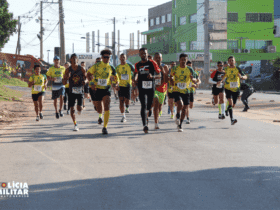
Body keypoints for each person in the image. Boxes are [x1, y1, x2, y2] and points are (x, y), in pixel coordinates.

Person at [87, 49, 118, 134]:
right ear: (102, 57)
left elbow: (115, 77)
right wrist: (92, 83)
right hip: (97, 89)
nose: (106, 59)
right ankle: (100, 115)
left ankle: (105, 127)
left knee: (107, 106)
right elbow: (88, 74)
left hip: (106, 89)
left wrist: (115, 84)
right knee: (99, 109)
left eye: (108, 57)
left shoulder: (111, 67)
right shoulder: (96, 66)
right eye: (105, 57)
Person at [134, 48, 161, 133]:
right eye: (141, 54)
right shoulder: (137, 64)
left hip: (150, 87)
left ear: (147, 54)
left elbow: (159, 74)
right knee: (143, 105)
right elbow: (135, 74)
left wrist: (153, 76)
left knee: (149, 106)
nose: (143, 55)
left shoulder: (152, 63)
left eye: (144, 53)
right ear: (139, 55)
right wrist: (135, 79)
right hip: (141, 87)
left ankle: (148, 111)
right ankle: (145, 125)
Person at [170, 53, 197, 132]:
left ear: (186, 60)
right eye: (182, 60)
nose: (183, 61)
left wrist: (193, 80)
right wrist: (171, 79)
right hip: (176, 89)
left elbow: (195, 79)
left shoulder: (189, 69)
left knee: (185, 109)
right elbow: (171, 78)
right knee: (180, 104)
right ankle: (177, 115)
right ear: (179, 60)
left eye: (185, 60)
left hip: (186, 91)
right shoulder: (175, 68)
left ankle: (180, 124)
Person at [217, 56, 247, 125]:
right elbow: (223, 77)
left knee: (233, 105)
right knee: (230, 102)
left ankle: (227, 110)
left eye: (232, 60)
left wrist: (242, 77)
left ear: (235, 61)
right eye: (229, 60)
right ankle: (232, 119)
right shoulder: (226, 69)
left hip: (236, 89)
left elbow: (245, 76)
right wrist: (220, 81)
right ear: (228, 62)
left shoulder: (238, 69)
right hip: (228, 88)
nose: (231, 61)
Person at [63, 54, 87, 131]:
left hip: (79, 90)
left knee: (79, 108)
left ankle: (80, 109)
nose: (74, 60)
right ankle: (75, 124)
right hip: (71, 91)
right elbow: (63, 82)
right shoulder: (68, 70)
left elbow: (87, 78)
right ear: (70, 60)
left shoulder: (82, 69)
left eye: (75, 58)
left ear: (77, 60)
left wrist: (85, 81)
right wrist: (67, 77)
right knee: (72, 109)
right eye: (72, 58)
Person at [115, 54, 135, 122]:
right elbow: (115, 76)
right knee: (121, 101)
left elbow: (135, 72)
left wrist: (134, 79)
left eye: (124, 57)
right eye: (121, 57)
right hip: (120, 86)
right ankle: (123, 116)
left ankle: (127, 106)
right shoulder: (117, 67)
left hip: (128, 85)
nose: (123, 58)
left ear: (126, 58)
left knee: (127, 101)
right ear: (119, 58)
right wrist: (116, 84)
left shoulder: (129, 66)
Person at [153, 52, 168, 129]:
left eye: (159, 57)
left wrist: (163, 71)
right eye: (156, 57)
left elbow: (166, 80)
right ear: (154, 58)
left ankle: (158, 113)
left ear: (161, 58)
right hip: (154, 89)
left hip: (162, 89)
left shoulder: (165, 66)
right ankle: (156, 122)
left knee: (159, 106)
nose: (158, 59)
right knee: (155, 104)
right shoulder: (151, 66)